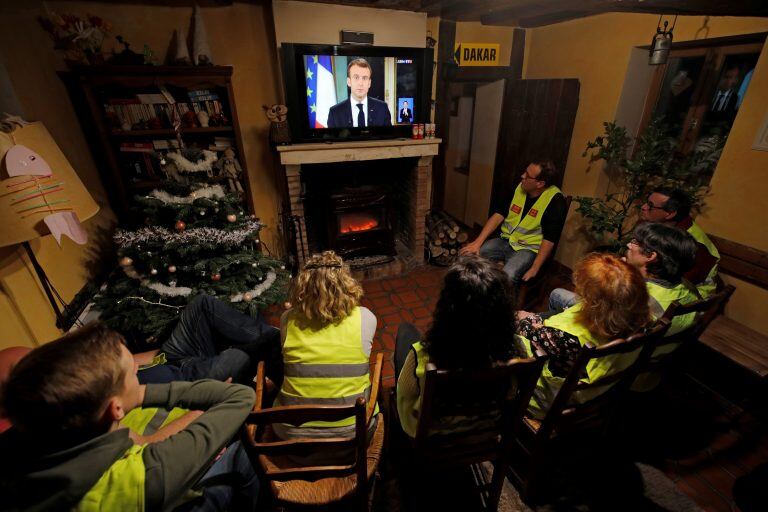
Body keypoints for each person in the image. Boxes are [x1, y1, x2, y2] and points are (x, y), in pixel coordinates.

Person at [0, 323, 259, 511]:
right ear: (115, 409)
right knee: (242, 452)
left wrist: (126, 395)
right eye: (131, 371)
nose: (137, 366)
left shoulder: (27, 437)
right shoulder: (144, 476)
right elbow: (240, 397)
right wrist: (141, 395)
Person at [395, 254, 518, 438]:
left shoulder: (423, 355)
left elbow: (405, 404)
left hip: (432, 434)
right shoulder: (518, 350)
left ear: (448, 306)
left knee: (406, 332)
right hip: (484, 431)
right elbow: (511, 395)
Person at [517, 253, 651, 418]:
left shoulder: (564, 339)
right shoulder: (640, 325)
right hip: (592, 394)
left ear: (595, 302)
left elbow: (531, 332)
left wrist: (527, 321)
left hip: (541, 401)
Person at [273, 250, 377, 440]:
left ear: (303, 285)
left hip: (292, 435)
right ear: (346, 283)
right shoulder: (366, 318)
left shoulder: (287, 319)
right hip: (353, 433)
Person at [550, 223, 699, 335]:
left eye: (635, 242)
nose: (629, 244)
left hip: (598, 347)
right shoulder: (687, 288)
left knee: (557, 294)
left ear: (650, 256)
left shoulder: (631, 298)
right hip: (653, 355)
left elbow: (600, 322)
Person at [137, 294, 281, 386]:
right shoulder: (123, 395)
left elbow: (130, 361)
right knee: (241, 358)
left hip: (170, 356)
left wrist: (158, 354)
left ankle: (277, 337)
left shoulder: (120, 372)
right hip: (185, 379)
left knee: (203, 303)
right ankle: (278, 340)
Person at [460, 160, 567, 283]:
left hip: (528, 249)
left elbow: (549, 239)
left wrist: (535, 267)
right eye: (524, 172)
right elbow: (499, 215)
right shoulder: (519, 187)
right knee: (472, 257)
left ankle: (502, 300)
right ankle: (475, 290)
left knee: (508, 275)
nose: (522, 176)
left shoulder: (555, 201)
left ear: (540, 183)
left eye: (527, 175)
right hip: (506, 240)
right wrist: (477, 242)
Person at [640, 187, 720, 296]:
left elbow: (677, 282)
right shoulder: (668, 228)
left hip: (689, 298)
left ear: (670, 213)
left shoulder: (690, 244)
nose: (643, 207)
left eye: (650, 205)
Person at [327, 58, 392, 128]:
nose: (360, 83)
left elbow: (389, 137)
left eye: (364, 78)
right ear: (349, 82)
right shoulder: (335, 113)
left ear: (369, 83)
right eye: (356, 77)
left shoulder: (382, 108)